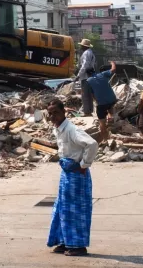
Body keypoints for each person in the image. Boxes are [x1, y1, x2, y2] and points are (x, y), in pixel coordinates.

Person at [46, 98, 98, 257]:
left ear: (64, 112)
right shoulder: (58, 129)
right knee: (62, 208)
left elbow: (92, 144)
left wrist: (84, 164)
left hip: (77, 175)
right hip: (67, 174)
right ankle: (64, 241)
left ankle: (78, 246)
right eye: (50, 114)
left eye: (56, 113)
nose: (53, 116)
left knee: (76, 210)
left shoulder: (71, 130)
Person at [84, 62, 118, 142]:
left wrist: (97, 102)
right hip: (112, 99)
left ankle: (105, 140)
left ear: (87, 74)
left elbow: (92, 94)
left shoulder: (88, 81)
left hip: (102, 104)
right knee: (110, 105)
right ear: (94, 70)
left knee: (102, 123)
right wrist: (113, 62)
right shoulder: (102, 74)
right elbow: (113, 69)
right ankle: (110, 116)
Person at [76, 39, 96, 115]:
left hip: (85, 76)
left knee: (85, 95)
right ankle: (89, 110)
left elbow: (84, 65)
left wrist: (78, 75)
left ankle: (86, 111)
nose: (80, 46)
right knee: (89, 94)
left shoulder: (86, 53)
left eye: (81, 45)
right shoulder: (91, 53)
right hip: (90, 75)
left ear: (84, 46)